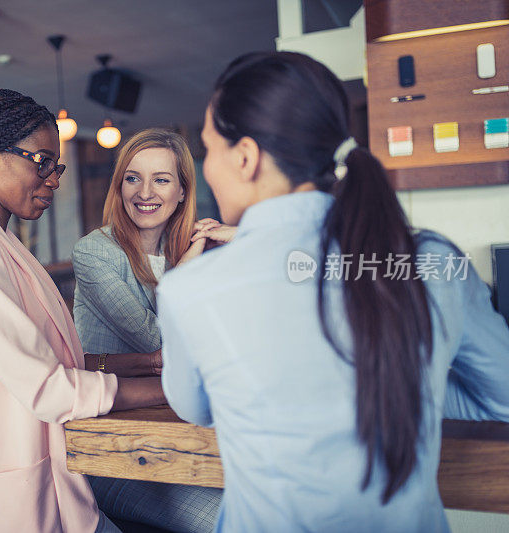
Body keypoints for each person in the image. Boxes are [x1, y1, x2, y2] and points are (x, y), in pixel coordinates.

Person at [157, 52, 509, 532]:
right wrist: (402, 380)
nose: (208, 171)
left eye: (208, 150)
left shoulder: (190, 289)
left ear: (245, 157)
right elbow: (502, 399)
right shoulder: (432, 262)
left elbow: (195, 409)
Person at [0, 89, 165, 533]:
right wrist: (179, 389)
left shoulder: (0, 242)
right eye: (41, 161)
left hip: (57, 488)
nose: (53, 178)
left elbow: (52, 362)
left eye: (57, 165)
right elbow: (51, 388)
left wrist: (149, 364)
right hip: (12, 507)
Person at [72, 128, 223, 532]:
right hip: (113, 450)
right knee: (231, 520)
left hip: (182, 429)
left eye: (161, 179)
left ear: (182, 192)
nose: (145, 191)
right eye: (133, 177)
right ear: (119, 186)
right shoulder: (95, 252)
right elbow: (157, 342)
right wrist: (191, 270)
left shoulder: (189, 251)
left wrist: (242, 240)